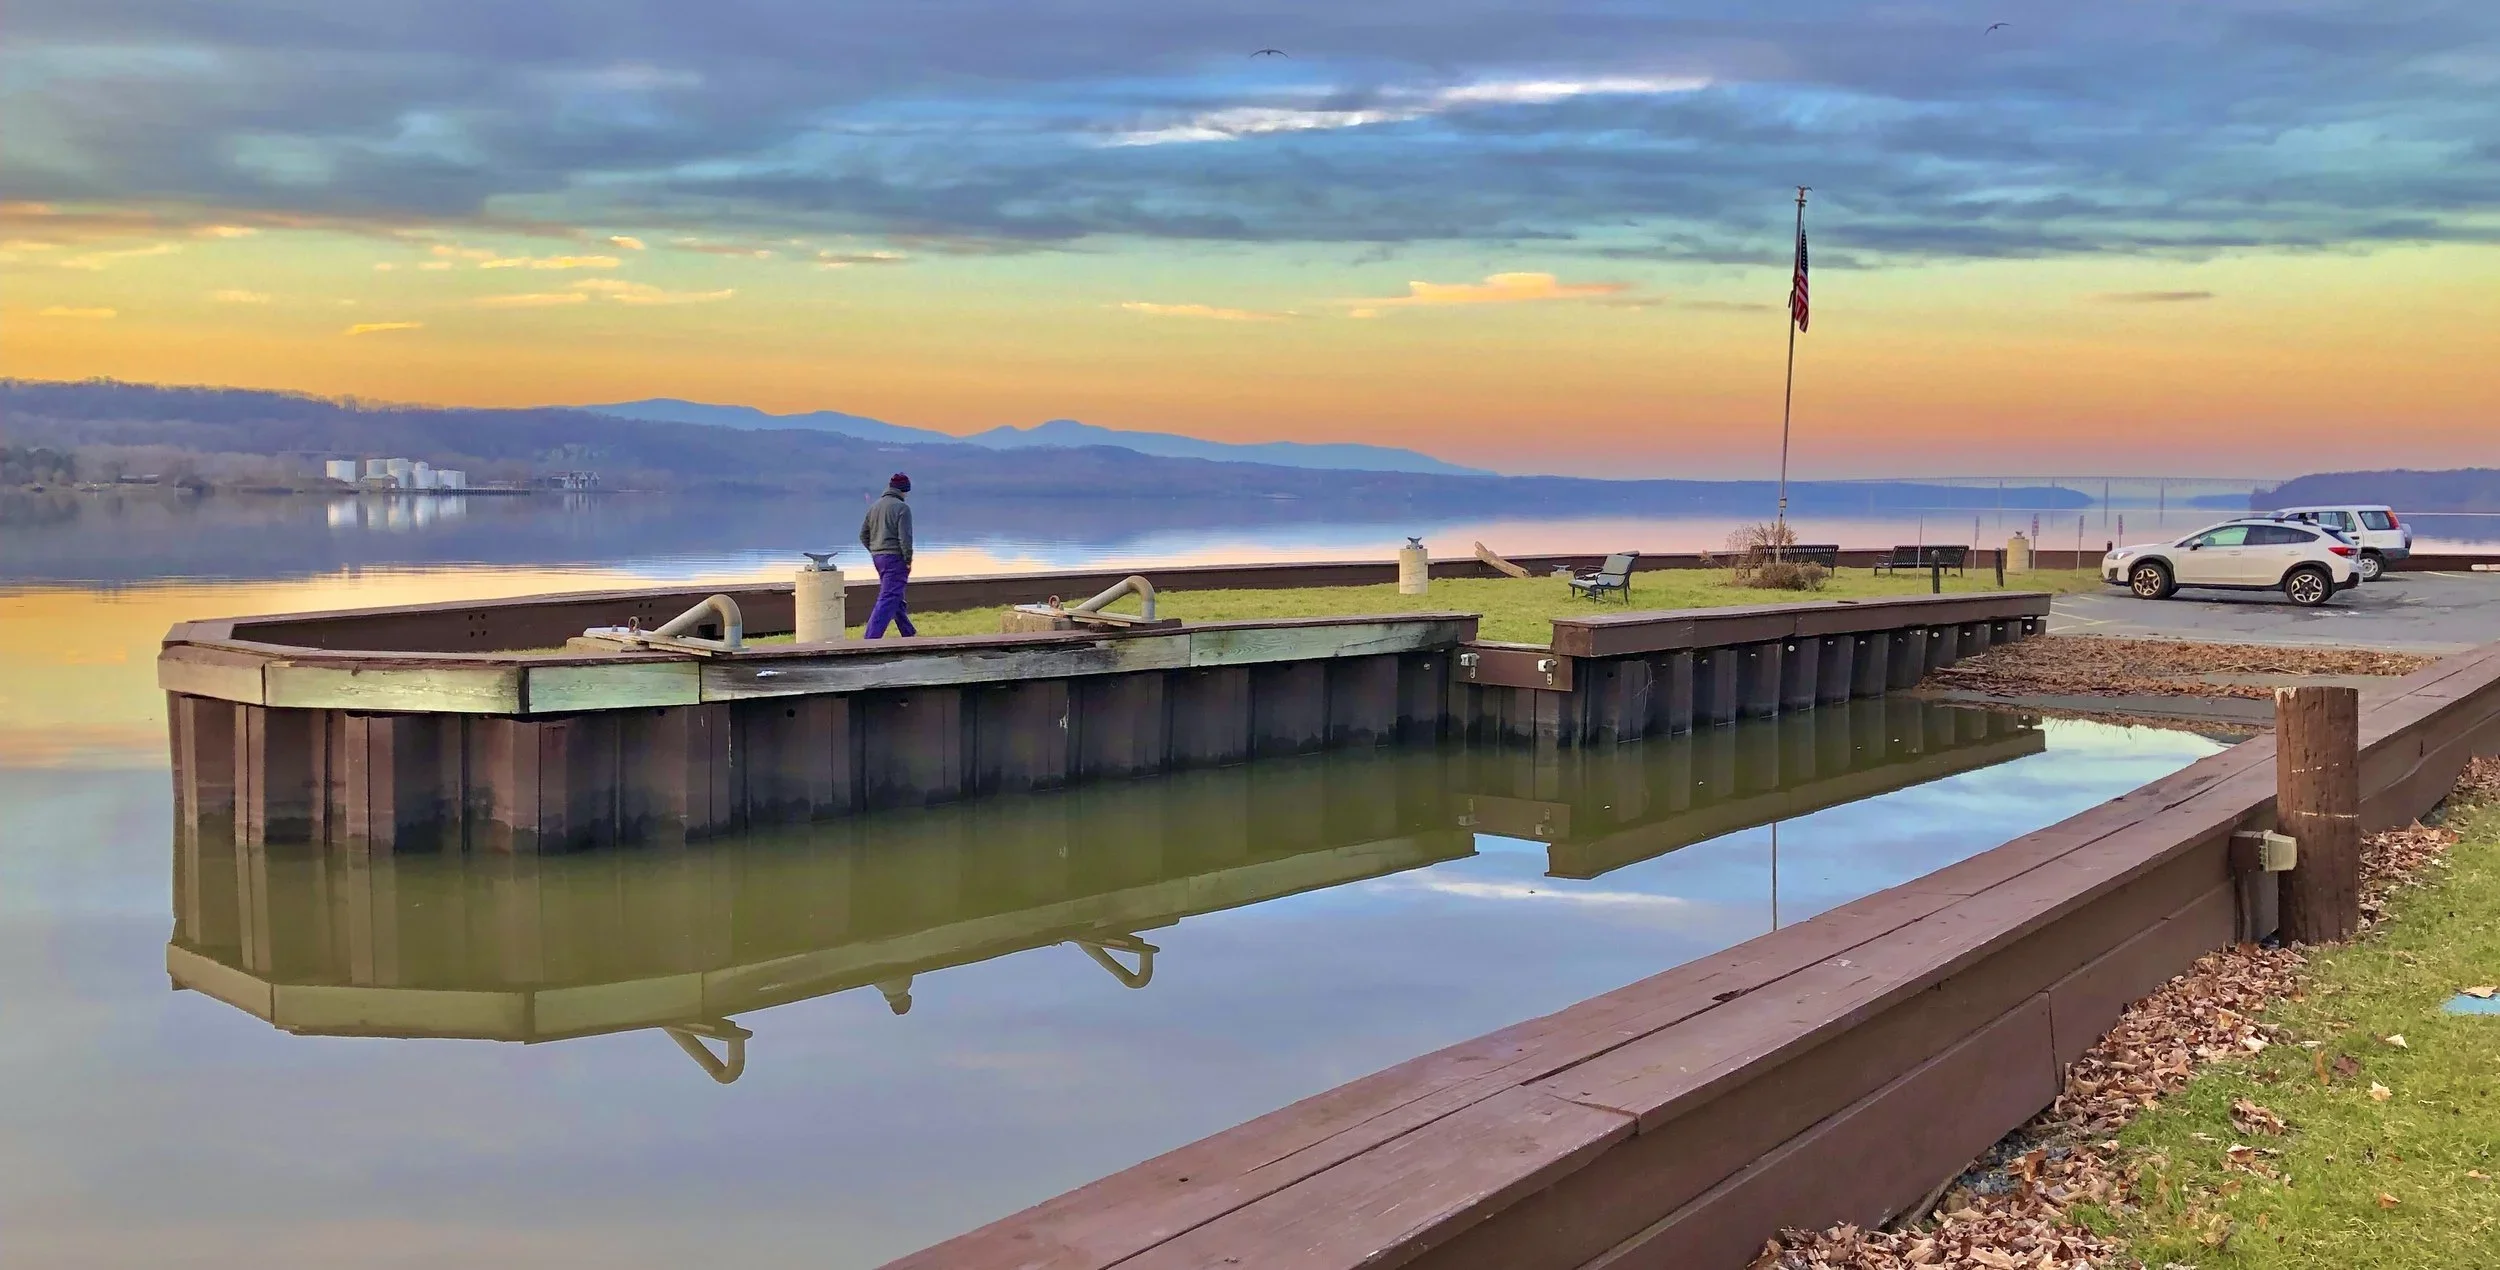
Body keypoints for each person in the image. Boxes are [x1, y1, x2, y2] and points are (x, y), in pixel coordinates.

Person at [858, 472, 917, 638]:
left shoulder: (875, 507)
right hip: (895, 558)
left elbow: (863, 535)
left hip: (878, 558)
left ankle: (908, 632)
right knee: (888, 597)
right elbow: (905, 538)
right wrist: (907, 560)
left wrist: (875, 550)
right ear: (904, 490)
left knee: (894, 594)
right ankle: (871, 639)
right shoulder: (902, 508)